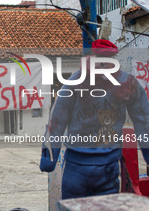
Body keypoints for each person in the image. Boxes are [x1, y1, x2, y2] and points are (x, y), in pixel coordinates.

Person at [40, 39, 149, 200]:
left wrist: (49, 158)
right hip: (104, 166)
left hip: (81, 165)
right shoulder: (127, 82)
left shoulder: (75, 80)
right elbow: (144, 120)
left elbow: (56, 120)